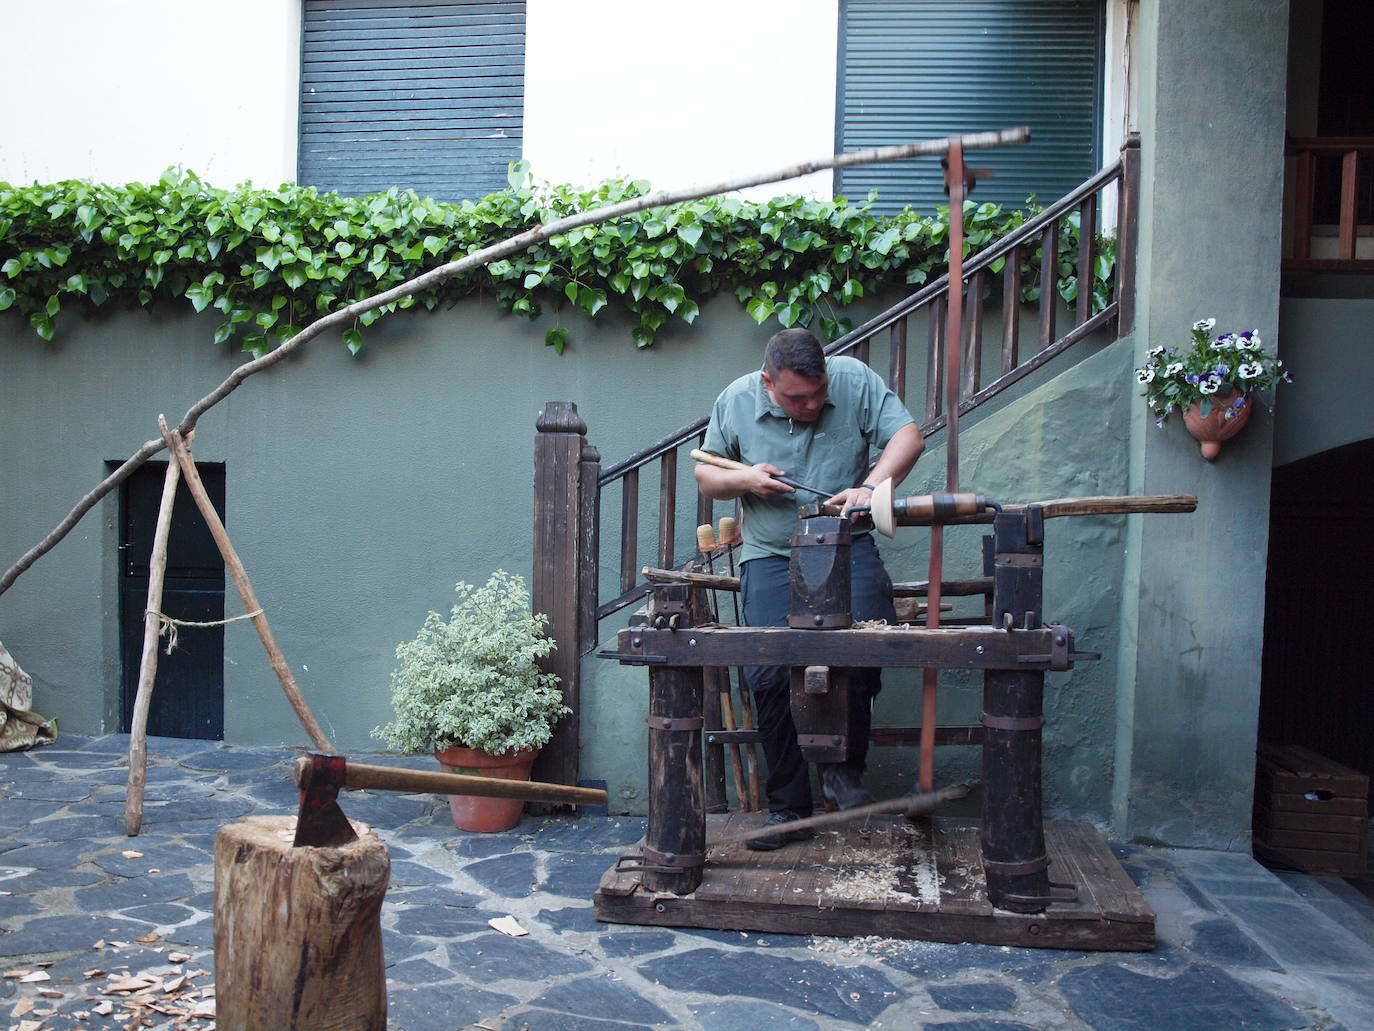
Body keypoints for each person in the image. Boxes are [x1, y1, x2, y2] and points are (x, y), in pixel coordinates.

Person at [695, 328, 924, 850]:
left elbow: (909, 437)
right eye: (797, 397)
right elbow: (707, 477)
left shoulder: (855, 380)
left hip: (847, 543)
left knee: (866, 647)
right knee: (769, 673)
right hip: (770, 555)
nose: (812, 404)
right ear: (767, 382)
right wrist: (747, 480)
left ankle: (843, 771)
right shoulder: (735, 399)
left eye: (819, 393)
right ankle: (789, 809)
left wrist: (870, 486)